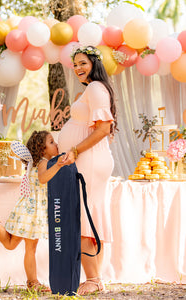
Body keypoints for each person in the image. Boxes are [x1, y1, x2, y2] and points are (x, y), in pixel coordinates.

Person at [0, 130, 66, 292]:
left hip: (27, 208)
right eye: (51, 142)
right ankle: (33, 282)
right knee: (30, 249)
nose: (56, 144)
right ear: (42, 149)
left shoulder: (35, 163)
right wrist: (59, 164)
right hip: (33, 211)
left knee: (10, 244)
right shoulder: (44, 162)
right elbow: (43, 179)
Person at [58, 45, 118, 295]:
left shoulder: (95, 88)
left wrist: (75, 150)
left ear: (95, 63)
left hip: (89, 161)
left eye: (83, 62)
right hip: (88, 159)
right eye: (75, 64)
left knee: (83, 217)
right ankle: (96, 278)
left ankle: (93, 279)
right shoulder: (92, 90)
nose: (78, 68)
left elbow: (103, 129)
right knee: (88, 216)